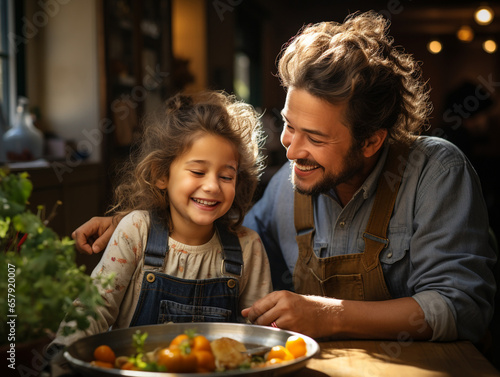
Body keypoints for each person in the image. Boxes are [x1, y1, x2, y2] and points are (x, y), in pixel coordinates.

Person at [72, 12, 496, 344]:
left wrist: (328, 315)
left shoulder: (437, 173)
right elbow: (220, 237)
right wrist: (143, 221)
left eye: (314, 137)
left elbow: (462, 307)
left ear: (371, 141)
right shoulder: (285, 187)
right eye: (289, 125)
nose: (291, 149)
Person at [53, 91, 272, 347]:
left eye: (226, 176)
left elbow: (259, 334)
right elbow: (95, 308)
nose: (212, 186)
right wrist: (60, 358)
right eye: (198, 171)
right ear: (161, 175)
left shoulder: (248, 247)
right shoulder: (136, 230)